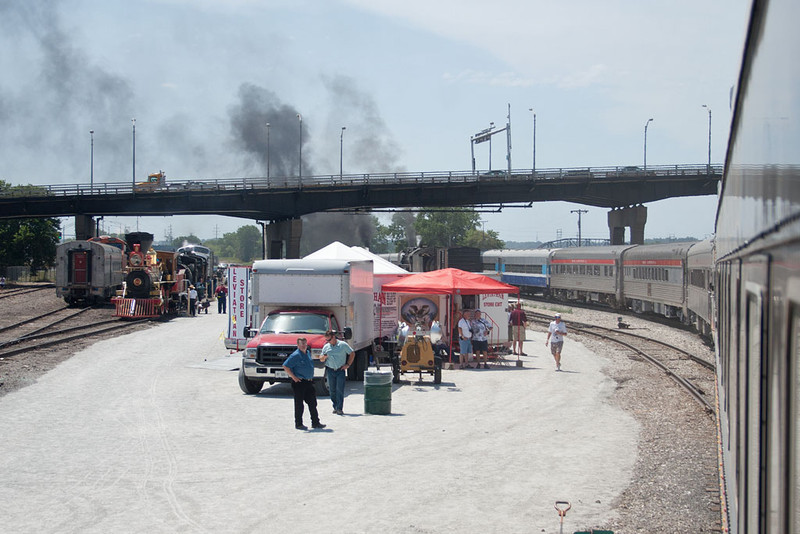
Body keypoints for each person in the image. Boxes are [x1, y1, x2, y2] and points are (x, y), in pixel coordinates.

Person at [282, 338, 326, 430]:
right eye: (302, 344)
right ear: (298, 345)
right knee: (299, 404)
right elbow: (285, 366)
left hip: (309, 382)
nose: (303, 346)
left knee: (312, 403)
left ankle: (315, 422)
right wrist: (293, 377)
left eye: (305, 344)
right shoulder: (296, 355)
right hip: (299, 382)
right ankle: (299, 424)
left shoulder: (308, 353)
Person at [320, 330, 354, 415]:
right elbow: (321, 358)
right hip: (330, 370)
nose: (328, 341)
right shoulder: (326, 346)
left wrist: (348, 364)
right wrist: (323, 357)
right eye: (327, 340)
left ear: (334, 337)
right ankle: (335, 406)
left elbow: (352, 353)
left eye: (329, 339)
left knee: (339, 390)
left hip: (340, 370)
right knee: (332, 390)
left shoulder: (343, 345)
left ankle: (339, 408)